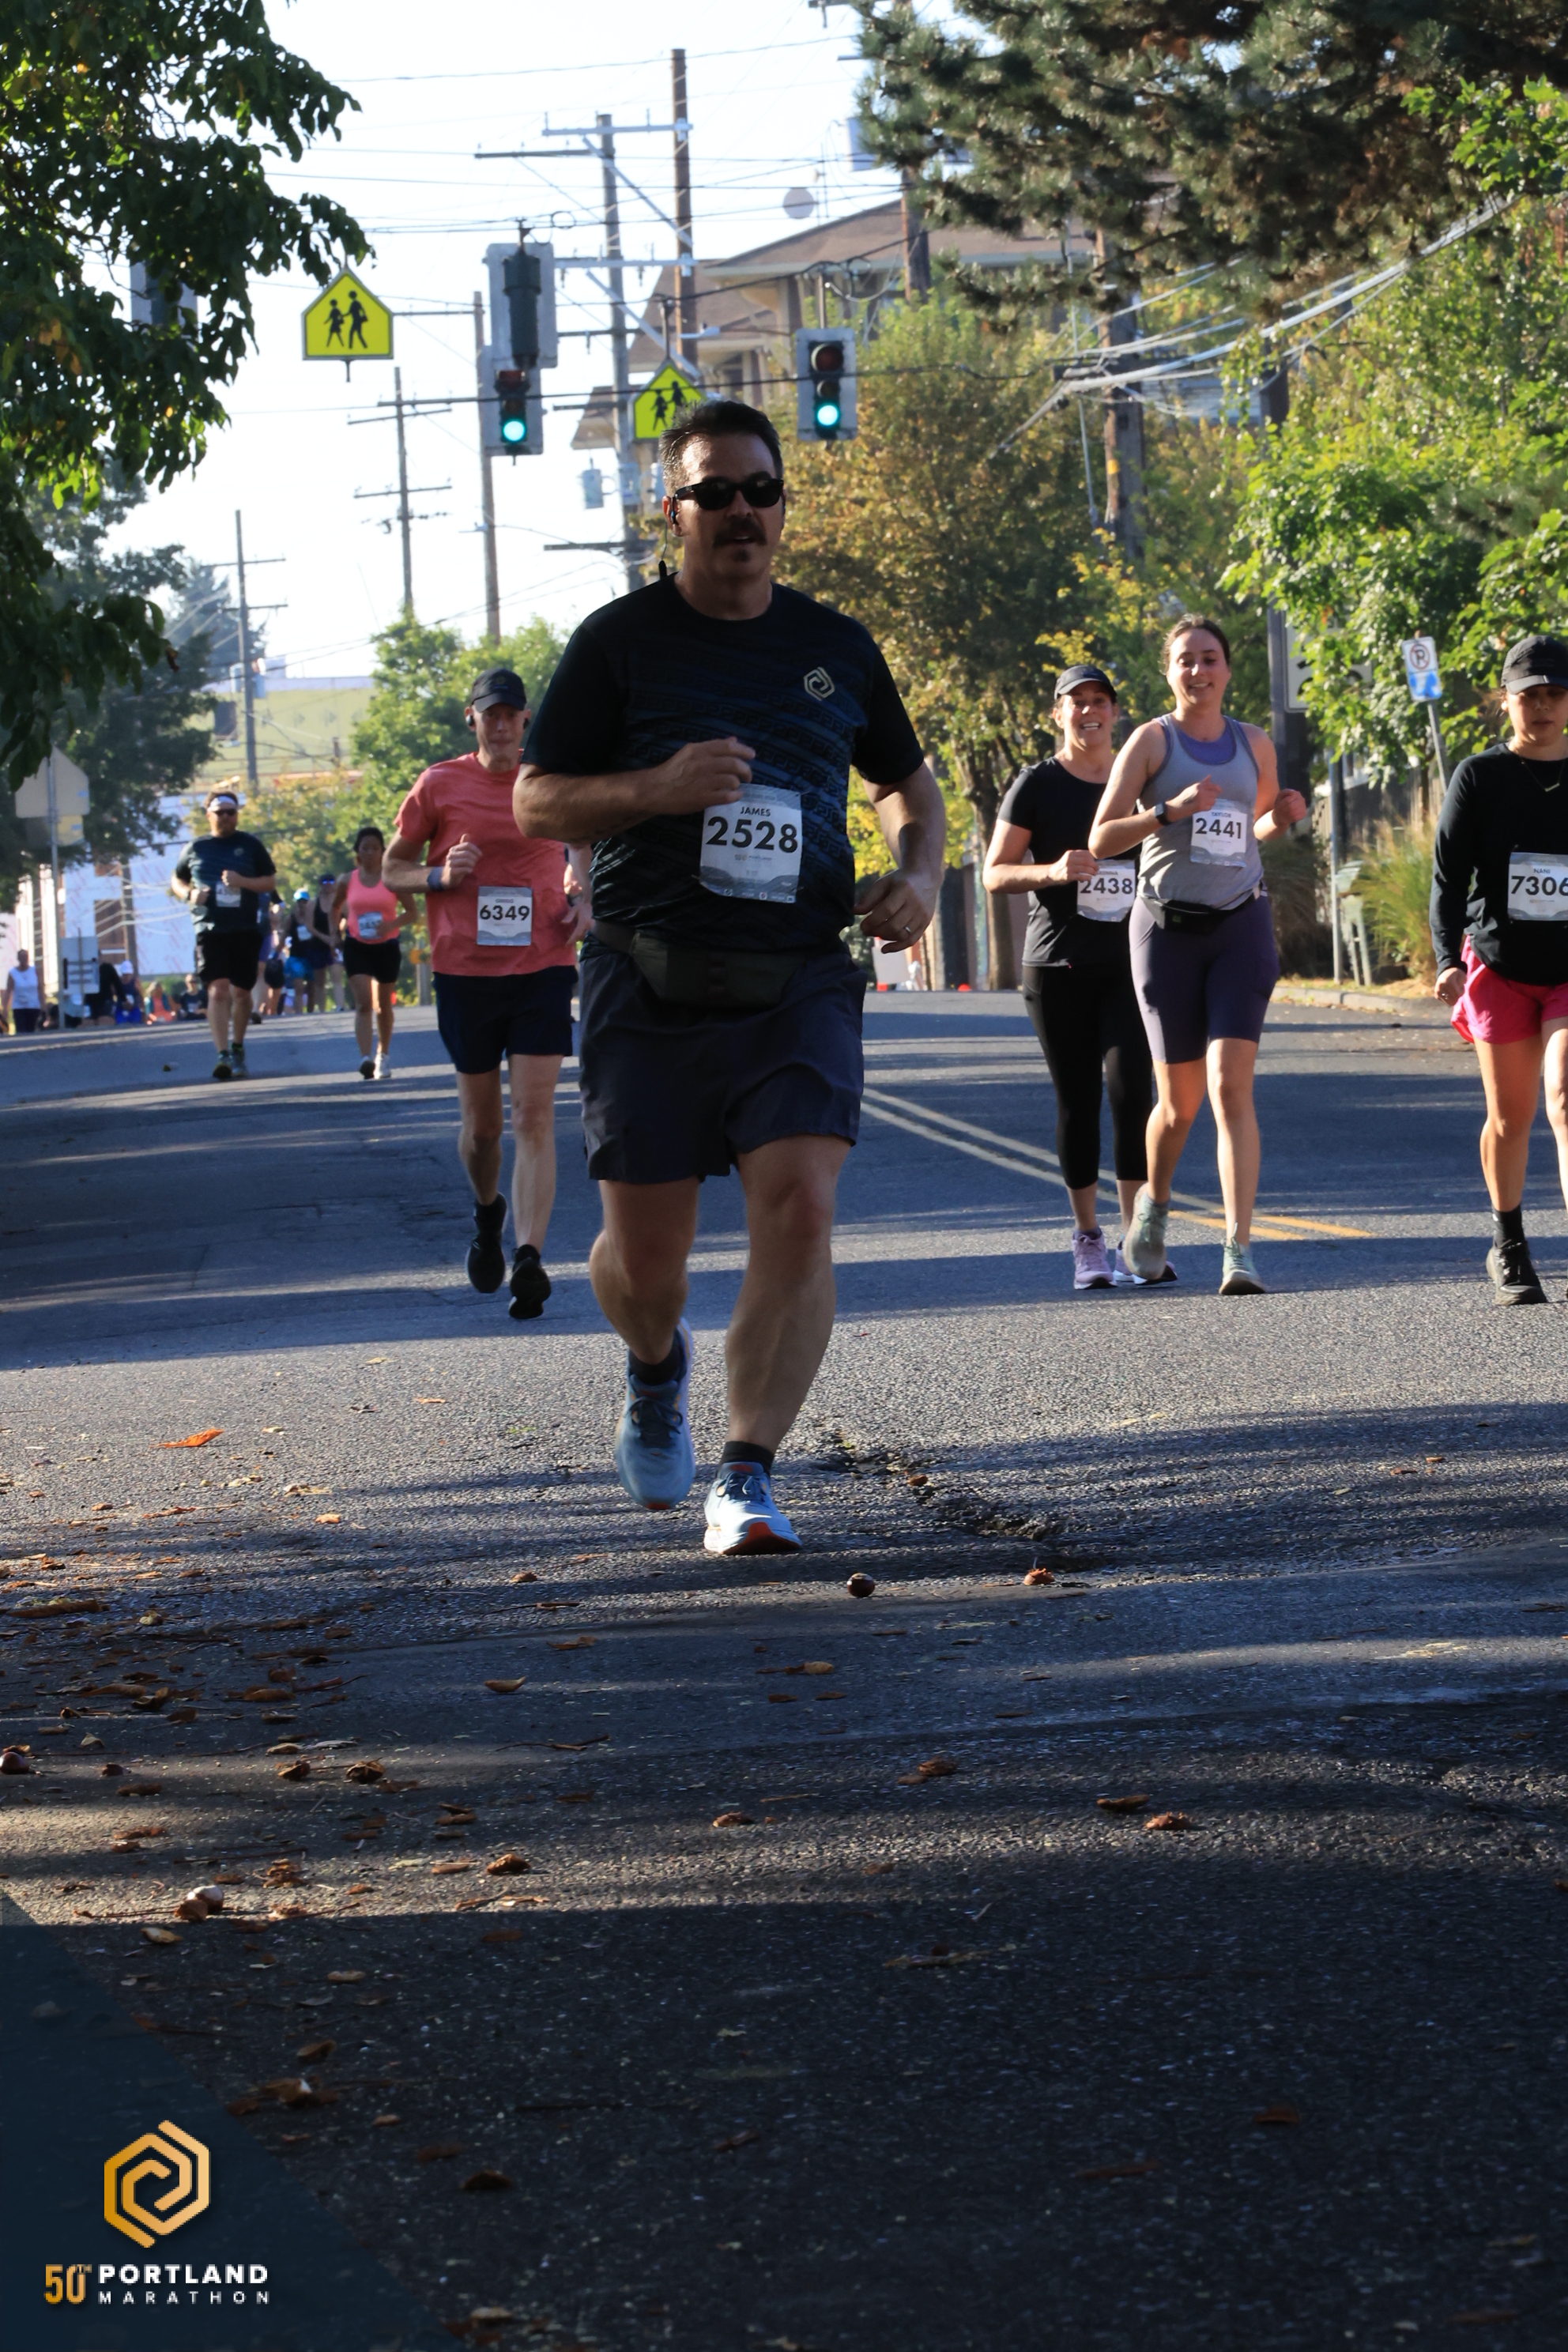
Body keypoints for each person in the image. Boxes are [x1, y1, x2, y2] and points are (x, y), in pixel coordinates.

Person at [514, 395, 944, 1556]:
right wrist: (655, 788)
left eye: (762, 490)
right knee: (645, 1265)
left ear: (782, 508)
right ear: (674, 509)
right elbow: (537, 799)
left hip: (797, 973)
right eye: (716, 492)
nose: (741, 511)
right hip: (646, 975)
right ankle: (657, 1364)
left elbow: (906, 785)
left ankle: (747, 1472)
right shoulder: (618, 642)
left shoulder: (836, 646)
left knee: (801, 1206)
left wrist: (919, 873)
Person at [1087, 615, 1306, 1295]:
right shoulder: (1151, 742)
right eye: (1186, 660)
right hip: (1166, 931)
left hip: (1240, 923)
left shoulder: (1253, 743)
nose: (1199, 671)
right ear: (1170, 671)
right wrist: (1167, 812)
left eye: (1210, 658)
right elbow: (1101, 839)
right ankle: (1153, 1206)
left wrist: (1282, 818)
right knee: (1179, 1105)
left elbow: (1255, 825)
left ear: (1227, 669)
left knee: (1229, 1087)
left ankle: (1239, 1249)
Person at [382, 667, 590, 1320]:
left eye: (510, 714)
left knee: (533, 1116)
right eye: (489, 714)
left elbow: (584, 844)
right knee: (483, 1130)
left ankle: (529, 1256)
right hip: (466, 972)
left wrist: (584, 897)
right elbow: (392, 868)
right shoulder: (439, 784)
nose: (500, 725)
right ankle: (487, 1213)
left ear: (525, 720)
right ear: (472, 719)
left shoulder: (548, 779)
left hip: (542, 963)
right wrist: (439, 876)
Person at [984, 662, 1164, 1290]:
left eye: (1100, 701)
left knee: (1132, 1093)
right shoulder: (1037, 784)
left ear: (1115, 711)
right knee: (1079, 1100)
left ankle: (1137, 1237)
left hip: (1130, 961)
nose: (1090, 711)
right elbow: (995, 872)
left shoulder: (1139, 779)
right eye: (1077, 702)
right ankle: (1088, 1239)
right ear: (1057, 713)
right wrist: (1054, 871)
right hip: (1057, 964)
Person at [1431, 633, 1568, 1303]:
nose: (1542, 706)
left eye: (1555, 694)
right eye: (1529, 694)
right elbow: (1448, 877)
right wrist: (1444, 957)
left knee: (1565, 1095)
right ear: (1506, 700)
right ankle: (1508, 1241)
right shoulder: (1479, 777)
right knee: (1511, 1117)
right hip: (1501, 964)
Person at [170, 785, 277, 1079]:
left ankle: (238, 1046)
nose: (227, 817)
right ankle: (222, 1054)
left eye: (231, 812)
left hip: (245, 927)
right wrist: (190, 894)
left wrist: (243, 881)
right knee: (217, 989)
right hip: (210, 927)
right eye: (221, 813)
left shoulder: (251, 845)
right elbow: (177, 880)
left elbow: (269, 882)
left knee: (241, 993)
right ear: (209, 815)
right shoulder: (196, 848)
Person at [330, 824, 417, 1079]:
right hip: (357, 944)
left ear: (383, 852)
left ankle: (383, 1054)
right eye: (365, 848)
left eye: (375, 848)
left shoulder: (391, 879)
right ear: (357, 852)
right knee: (363, 1002)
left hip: (386, 946)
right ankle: (365, 1058)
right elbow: (334, 908)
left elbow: (412, 912)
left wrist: (391, 925)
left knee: (383, 1005)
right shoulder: (347, 880)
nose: (370, 852)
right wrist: (335, 934)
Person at [3, 946, 43, 1035]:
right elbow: (8, 991)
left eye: (25, 957)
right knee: (21, 1031)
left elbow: (40, 988)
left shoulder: (34, 971)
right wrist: (5, 1008)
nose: (24, 959)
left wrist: (43, 1005)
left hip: (33, 1006)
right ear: (18, 959)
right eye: (22, 957)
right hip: (19, 1008)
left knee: (32, 1031)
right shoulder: (13, 973)